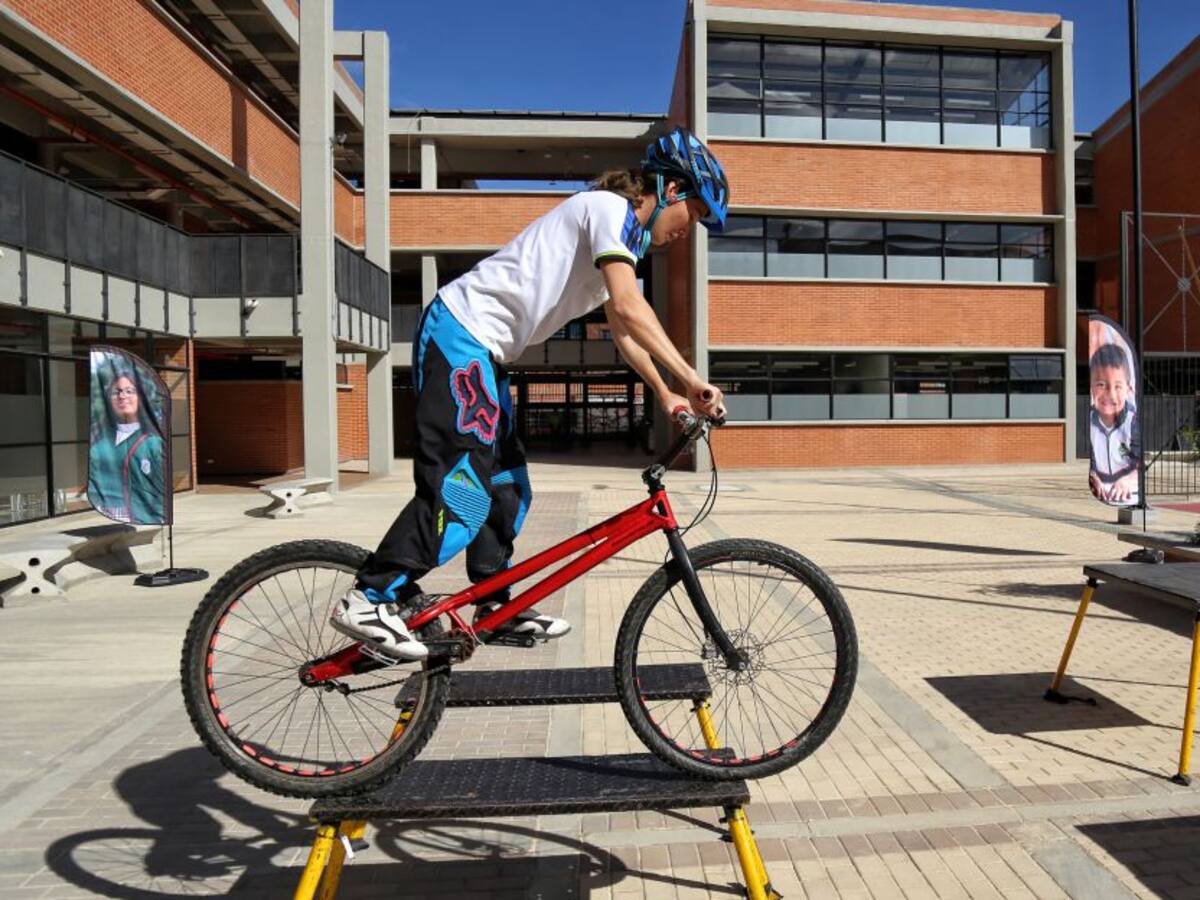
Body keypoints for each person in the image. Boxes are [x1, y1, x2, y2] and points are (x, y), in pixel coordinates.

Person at [330, 126, 730, 661]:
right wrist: (692, 378)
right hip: (459, 334)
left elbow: (623, 330)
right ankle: (369, 597)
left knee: (508, 488)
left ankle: (495, 609)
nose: (689, 230)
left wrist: (665, 393)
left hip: (486, 355)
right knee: (463, 493)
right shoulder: (609, 210)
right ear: (673, 190)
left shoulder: (622, 243)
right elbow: (630, 307)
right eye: (696, 215)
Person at [87, 362, 167, 524]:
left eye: (129, 391)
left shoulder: (153, 443)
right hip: (103, 518)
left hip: (143, 519)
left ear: (141, 398)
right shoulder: (98, 444)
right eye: (116, 392)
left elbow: (161, 489)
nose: (122, 396)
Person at [1087, 341, 1140, 505]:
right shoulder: (1090, 421)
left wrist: (1128, 480)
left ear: (1129, 390)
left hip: (1126, 488)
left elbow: (1140, 465)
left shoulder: (1132, 422)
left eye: (1117, 386)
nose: (1110, 394)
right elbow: (1091, 462)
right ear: (1091, 388)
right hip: (1102, 490)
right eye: (1101, 385)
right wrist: (1093, 477)